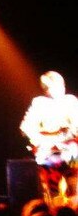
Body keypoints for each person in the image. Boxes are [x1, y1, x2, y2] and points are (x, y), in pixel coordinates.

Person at [20, 71, 78, 201]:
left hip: (70, 152)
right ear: (46, 89)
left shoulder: (71, 101)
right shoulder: (39, 103)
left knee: (74, 182)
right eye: (52, 87)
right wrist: (45, 138)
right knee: (52, 191)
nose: (59, 89)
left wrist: (69, 133)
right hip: (48, 154)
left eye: (60, 85)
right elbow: (26, 128)